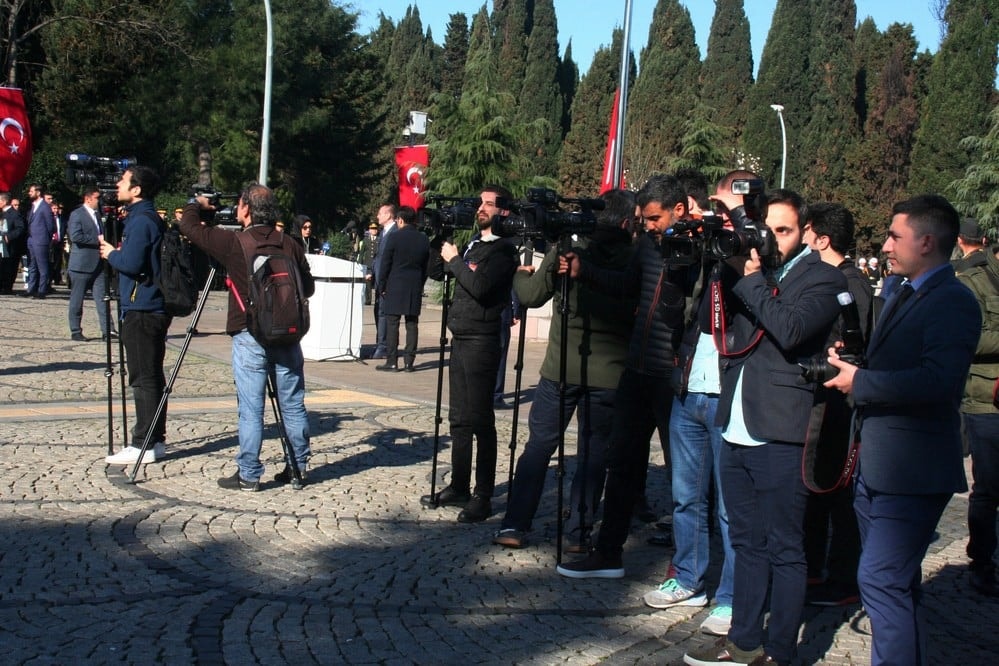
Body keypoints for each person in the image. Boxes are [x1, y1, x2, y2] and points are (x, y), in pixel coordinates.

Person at [683, 188, 846, 666]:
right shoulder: (746, 269)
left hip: (780, 429)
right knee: (745, 542)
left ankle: (778, 652)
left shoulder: (821, 278)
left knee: (785, 549)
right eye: (766, 229)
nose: (772, 239)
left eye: (784, 230)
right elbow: (719, 327)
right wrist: (724, 268)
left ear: (805, 234)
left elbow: (792, 330)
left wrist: (751, 279)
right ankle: (744, 639)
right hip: (734, 423)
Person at [823, 194, 980, 665]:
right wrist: (852, 363)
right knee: (896, 582)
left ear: (927, 242)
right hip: (878, 461)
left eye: (895, 236)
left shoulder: (953, 301)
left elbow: (938, 380)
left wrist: (862, 382)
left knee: (880, 580)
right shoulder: (899, 291)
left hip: (913, 470)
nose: (886, 245)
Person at [556, 174, 689, 579]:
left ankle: (685, 565)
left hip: (672, 376)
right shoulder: (647, 244)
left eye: (653, 218)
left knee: (682, 474)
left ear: (679, 210)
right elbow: (628, 285)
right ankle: (607, 551)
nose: (646, 226)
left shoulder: (698, 250)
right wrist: (584, 271)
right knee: (622, 464)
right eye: (643, 219)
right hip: (637, 369)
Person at [492, 188, 636, 551]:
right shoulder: (634, 256)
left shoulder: (569, 249)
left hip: (559, 368)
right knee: (593, 451)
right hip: (609, 373)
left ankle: (515, 524)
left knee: (539, 445)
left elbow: (530, 297)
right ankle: (578, 532)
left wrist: (519, 275)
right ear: (625, 221)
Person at [652, 171, 759, 636]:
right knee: (685, 496)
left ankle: (733, 597)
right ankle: (688, 576)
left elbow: (757, 295)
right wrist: (681, 262)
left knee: (730, 507)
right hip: (690, 386)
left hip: (732, 391)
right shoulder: (702, 247)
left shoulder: (756, 249)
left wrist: (731, 231)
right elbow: (672, 313)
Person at [180, 183, 315, 490]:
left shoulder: (234, 242)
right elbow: (307, 288)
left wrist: (198, 203)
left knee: (251, 407)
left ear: (244, 209)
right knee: (293, 403)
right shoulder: (291, 243)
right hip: (288, 334)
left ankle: (249, 474)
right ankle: (298, 467)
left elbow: (188, 226)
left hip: (249, 332)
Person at [421, 185, 518, 523]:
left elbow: (478, 287)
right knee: (459, 419)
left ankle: (484, 495)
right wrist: (440, 239)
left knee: (480, 420)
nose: (481, 208)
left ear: (502, 211)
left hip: (483, 340)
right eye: (479, 203)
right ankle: (459, 485)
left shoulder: (505, 252)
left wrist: (457, 262)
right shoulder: (474, 244)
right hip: (460, 337)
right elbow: (436, 272)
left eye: (488, 204)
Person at [800, 202, 873, 608]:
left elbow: (854, 346)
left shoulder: (851, 284)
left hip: (841, 402)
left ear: (822, 238)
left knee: (838, 490)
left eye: (806, 231)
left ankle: (843, 578)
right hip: (822, 398)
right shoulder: (824, 278)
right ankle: (811, 568)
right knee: (816, 487)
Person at [100, 166, 172, 465]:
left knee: (143, 376)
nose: (118, 184)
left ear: (137, 189)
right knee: (151, 374)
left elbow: (131, 262)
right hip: (147, 304)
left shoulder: (142, 220)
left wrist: (110, 254)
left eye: (123, 180)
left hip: (142, 306)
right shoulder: (147, 217)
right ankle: (154, 440)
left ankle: (143, 441)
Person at [956, 242, 999, 597]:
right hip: (986, 402)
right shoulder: (974, 281)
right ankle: (981, 561)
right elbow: (971, 336)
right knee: (988, 486)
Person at [375, 205, 430, 372]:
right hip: (414, 285)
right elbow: (426, 265)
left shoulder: (394, 237)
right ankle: (409, 362)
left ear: (400, 220)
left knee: (393, 323)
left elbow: (385, 263)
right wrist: (420, 284)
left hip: (395, 284)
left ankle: (392, 361)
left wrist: (382, 284)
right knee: (412, 324)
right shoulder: (423, 238)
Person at [67, 186, 115, 342]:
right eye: (97, 198)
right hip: (81, 264)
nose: (99, 201)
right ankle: (75, 330)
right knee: (77, 299)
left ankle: (108, 330)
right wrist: (97, 241)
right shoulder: (77, 214)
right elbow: (75, 237)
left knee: (102, 298)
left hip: (98, 264)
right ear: (88, 198)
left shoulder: (98, 215)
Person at [371, 202, 397, 359]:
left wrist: (385, 280)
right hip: (379, 280)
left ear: (388, 215)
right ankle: (380, 344)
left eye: (380, 213)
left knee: (384, 314)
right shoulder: (383, 233)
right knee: (378, 312)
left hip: (388, 281)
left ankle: (384, 347)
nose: (378, 216)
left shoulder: (394, 232)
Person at [20, 184, 55, 298]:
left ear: (38, 192)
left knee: (42, 266)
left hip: (41, 240)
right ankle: (31, 289)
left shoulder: (45, 207)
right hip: (31, 240)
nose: (29, 193)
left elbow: (51, 225)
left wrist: (46, 238)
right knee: (32, 265)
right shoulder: (33, 206)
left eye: (31, 191)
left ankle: (42, 290)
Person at [0, 191, 25, 294]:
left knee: (9, 267)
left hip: (10, 247)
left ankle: (7, 287)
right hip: (1, 246)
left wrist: (9, 236)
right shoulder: (1, 213)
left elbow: (20, 228)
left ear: (4, 201)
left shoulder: (14, 214)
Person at [360, 222, 380, 306]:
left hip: (377, 265)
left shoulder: (379, 240)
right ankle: (368, 300)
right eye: (372, 229)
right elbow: (362, 252)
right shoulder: (365, 240)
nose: (374, 230)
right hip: (368, 264)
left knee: (377, 282)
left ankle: (377, 300)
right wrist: (360, 263)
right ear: (369, 230)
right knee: (367, 284)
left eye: (375, 229)